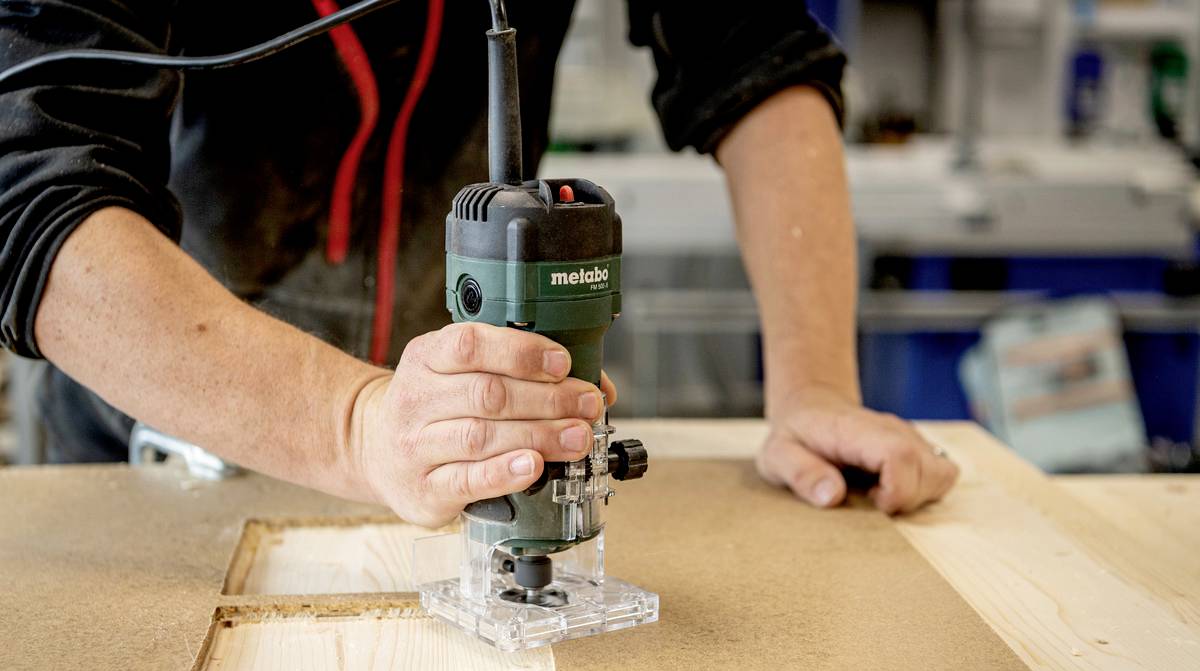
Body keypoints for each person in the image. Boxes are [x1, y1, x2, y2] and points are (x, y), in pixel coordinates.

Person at [0, 1, 957, 525]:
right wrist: (352, 424)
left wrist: (816, 384)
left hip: (459, 461)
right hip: (162, 451)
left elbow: (754, 53)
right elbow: (31, 186)